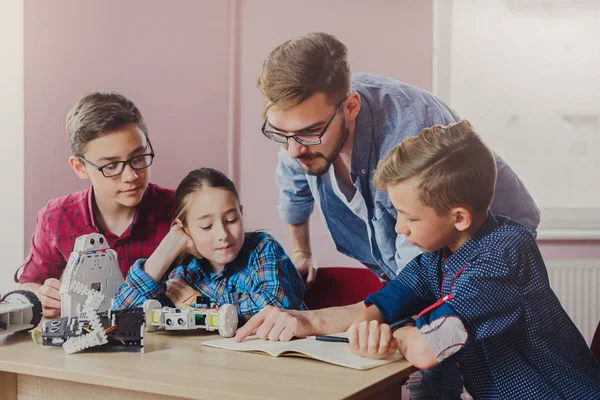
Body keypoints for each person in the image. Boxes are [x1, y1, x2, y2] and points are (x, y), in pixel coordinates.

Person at [253, 31, 540, 397]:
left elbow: (428, 335)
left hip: (482, 248)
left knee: (481, 362)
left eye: (308, 133)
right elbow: (385, 300)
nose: (293, 149)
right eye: (282, 134)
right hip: (437, 255)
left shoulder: (410, 130)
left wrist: (397, 332)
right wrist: (304, 308)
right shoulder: (301, 130)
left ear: (350, 107)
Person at [344, 120, 600, 399]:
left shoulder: (502, 258)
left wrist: (396, 331)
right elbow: (387, 300)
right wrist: (368, 325)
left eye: (410, 217)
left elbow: (428, 348)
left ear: (459, 218)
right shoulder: (440, 254)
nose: (399, 227)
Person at [17, 91, 174, 318]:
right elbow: (26, 286)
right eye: (111, 166)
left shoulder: (179, 209)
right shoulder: (56, 218)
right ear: (80, 167)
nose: (131, 176)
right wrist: (41, 295)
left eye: (138, 159)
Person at [113, 168, 306, 323]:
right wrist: (166, 249)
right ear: (185, 229)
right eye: (206, 226)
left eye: (231, 220)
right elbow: (121, 316)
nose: (222, 235)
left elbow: (277, 304)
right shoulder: (183, 273)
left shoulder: (263, 249)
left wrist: (200, 303)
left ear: (241, 213)